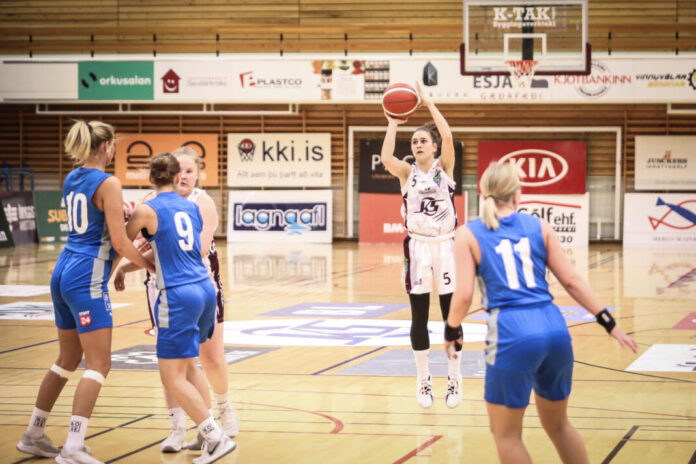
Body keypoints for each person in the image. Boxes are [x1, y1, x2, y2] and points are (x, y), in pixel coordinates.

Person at [444, 162, 638, 464]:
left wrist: (452, 329)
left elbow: (464, 295)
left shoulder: (467, 234)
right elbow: (572, 281)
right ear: (517, 195)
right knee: (559, 425)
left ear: (482, 193)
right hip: (554, 328)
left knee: (506, 435)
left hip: (511, 332)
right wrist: (608, 322)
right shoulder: (540, 226)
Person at [16, 120, 155, 464]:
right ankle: (73, 447)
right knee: (99, 363)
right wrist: (151, 267)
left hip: (64, 268)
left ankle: (33, 434)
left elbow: (98, 225)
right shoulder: (109, 182)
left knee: (67, 359)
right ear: (106, 147)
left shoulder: (72, 177)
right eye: (114, 145)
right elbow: (120, 241)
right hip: (85, 274)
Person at [115, 153, 236, 464]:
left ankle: (215, 436)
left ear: (150, 178)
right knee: (188, 366)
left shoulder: (148, 208)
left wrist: (123, 267)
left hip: (178, 294)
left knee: (172, 375)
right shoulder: (188, 207)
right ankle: (201, 432)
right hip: (203, 288)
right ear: (173, 176)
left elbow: (121, 243)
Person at [380, 82, 462, 409]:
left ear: (433, 146)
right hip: (417, 248)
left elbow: (449, 136)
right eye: (414, 141)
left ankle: (454, 379)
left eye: (423, 140)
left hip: (446, 246)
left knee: (450, 317)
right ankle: (423, 381)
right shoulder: (406, 173)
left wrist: (428, 103)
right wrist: (392, 123)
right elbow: (386, 157)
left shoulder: (445, 169)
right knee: (419, 317)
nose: (417, 144)